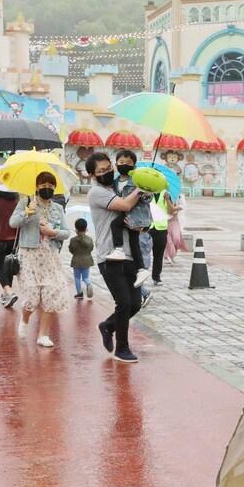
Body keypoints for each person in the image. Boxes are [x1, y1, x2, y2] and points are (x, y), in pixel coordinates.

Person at [88, 151, 146, 363]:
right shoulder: (96, 192)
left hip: (130, 253)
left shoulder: (119, 187)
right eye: (101, 171)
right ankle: (122, 348)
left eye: (108, 168)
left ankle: (108, 326)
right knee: (123, 302)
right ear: (92, 175)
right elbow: (124, 206)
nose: (107, 173)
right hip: (109, 256)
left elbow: (136, 212)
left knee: (135, 304)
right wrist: (143, 187)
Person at [8, 171, 71, 348]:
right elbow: (12, 223)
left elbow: (66, 232)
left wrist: (53, 233)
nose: (47, 188)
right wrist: (27, 213)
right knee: (32, 297)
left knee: (52, 294)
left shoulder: (57, 208)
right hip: (29, 255)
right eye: (43, 185)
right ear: (36, 186)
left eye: (51, 186)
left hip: (50, 257)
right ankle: (25, 318)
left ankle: (43, 335)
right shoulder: (26, 202)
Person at [100, 149, 151, 288]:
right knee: (134, 243)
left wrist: (144, 192)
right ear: (116, 164)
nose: (124, 164)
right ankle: (141, 269)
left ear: (134, 166)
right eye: (121, 162)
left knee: (115, 225)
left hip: (135, 216)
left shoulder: (137, 180)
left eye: (128, 163)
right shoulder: (115, 182)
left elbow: (147, 198)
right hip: (125, 214)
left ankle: (118, 249)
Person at [148, 189, 179, 285]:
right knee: (142, 254)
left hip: (161, 229)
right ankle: (139, 275)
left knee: (158, 255)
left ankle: (156, 277)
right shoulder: (145, 193)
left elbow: (171, 212)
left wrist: (168, 200)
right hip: (147, 228)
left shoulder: (166, 194)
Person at [69, 217, 95, 301]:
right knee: (85, 277)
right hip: (87, 261)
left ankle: (79, 293)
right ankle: (88, 283)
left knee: (77, 278)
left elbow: (71, 250)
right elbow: (91, 249)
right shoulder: (90, 239)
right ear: (86, 228)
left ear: (76, 229)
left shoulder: (73, 240)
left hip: (76, 261)